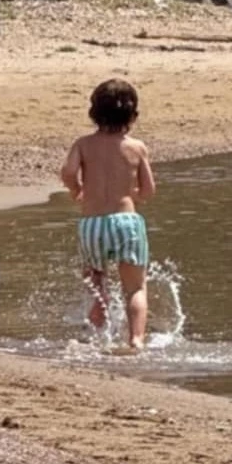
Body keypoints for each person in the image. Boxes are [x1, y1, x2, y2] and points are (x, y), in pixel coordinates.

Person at [60, 78, 156, 352]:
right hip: (127, 222)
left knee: (97, 282)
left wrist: (76, 189)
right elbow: (149, 190)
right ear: (133, 116)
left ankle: (99, 337)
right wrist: (132, 194)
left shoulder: (83, 144)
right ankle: (136, 339)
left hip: (93, 223)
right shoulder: (137, 148)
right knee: (135, 288)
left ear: (93, 113)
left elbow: (67, 172)